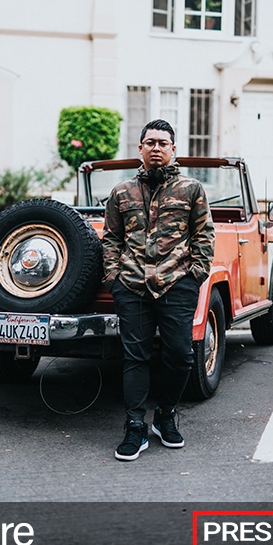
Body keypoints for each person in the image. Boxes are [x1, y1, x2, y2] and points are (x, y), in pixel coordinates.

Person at [102, 118, 215, 461]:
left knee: (180, 355)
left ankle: (165, 416)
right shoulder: (121, 192)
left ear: (173, 149)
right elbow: (111, 238)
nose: (156, 148)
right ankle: (135, 425)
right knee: (134, 357)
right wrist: (114, 278)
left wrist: (196, 273)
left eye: (162, 143)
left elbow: (204, 235)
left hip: (177, 283)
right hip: (131, 285)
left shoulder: (191, 189)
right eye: (150, 142)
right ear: (140, 148)